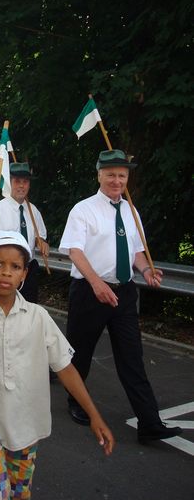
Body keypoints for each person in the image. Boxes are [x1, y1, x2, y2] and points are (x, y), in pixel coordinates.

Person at [0, 230, 114, 499]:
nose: (6, 272)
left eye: (15, 267)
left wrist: (94, 414)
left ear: (24, 274)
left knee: (20, 493)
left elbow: (65, 368)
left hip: (26, 426)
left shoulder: (38, 317)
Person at [59, 149, 183, 444]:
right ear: (99, 175)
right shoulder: (83, 210)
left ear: (128, 178)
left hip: (124, 292)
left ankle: (149, 423)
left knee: (132, 358)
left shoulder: (131, 211)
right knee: (80, 352)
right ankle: (76, 401)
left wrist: (146, 270)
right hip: (90, 291)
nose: (117, 180)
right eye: (111, 174)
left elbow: (136, 251)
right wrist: (96, 283)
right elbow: (74, 251)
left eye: (122, 175)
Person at [0, 163, 49, 303]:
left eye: (25, 181)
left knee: (28, 307)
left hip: (28, 268)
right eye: (17, 181)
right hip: (6, 269)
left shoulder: (33, 210)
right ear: (9, 183)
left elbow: (39, 235)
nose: (21, 186)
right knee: (3, 306)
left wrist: (41, 242)